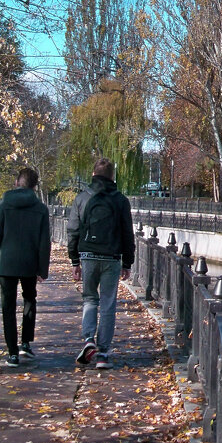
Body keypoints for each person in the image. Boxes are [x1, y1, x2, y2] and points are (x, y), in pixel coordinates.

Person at [67, 157, 135, 370]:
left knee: (89, 299)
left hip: (87, 255)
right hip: (112, 258)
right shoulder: (121, 200)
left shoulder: (82, 198)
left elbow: (73, 231)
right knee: (107, 303)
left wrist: (74, 260)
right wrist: (128, 262)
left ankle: (89, 339)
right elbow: (127, 234)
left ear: (93, 175)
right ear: (112, 177)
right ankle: (103, 353)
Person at [0, 167, 51, 367]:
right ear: (34, 186)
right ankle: (25, 343)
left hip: (6, 264)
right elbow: (44, 242)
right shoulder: (40, 209)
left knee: (8, 307)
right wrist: (42, 269)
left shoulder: (4, 206)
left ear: (16, 183)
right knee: (30, 300)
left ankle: (12, 353)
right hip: (30, 264)